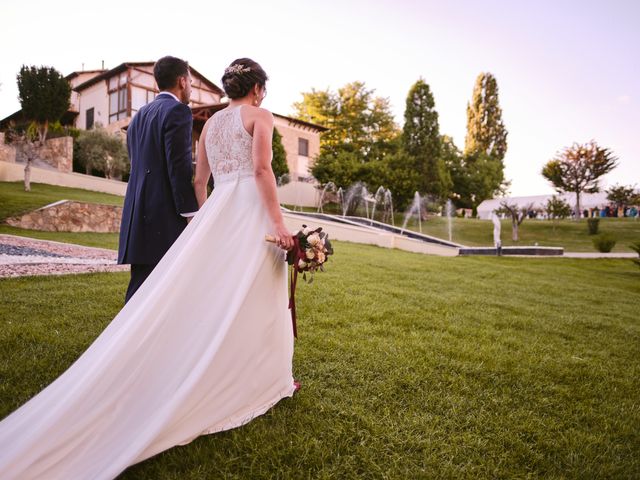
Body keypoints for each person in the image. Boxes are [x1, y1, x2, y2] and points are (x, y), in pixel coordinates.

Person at [0, 58, 297, 479]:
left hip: (212, 212)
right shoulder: (260, 115)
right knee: (254, 292)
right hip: (250, 213)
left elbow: (199, 181)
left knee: (212, 293)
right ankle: (253, 375)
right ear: (258, 88)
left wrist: (205, 221)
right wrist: (280, 223)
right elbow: (263, 169)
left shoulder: (208, 125)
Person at [118, 56, 199, 303]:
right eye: (191, 82)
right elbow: (179, 167)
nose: (192, 88)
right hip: (163, 216)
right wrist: (190, 213)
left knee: (141, 288)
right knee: (160, 293)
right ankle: (128, 340)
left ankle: (127, 338)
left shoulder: (139, 116)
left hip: (137, 213)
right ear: (182, 81)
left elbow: (139, 162)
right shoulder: (178, 111)